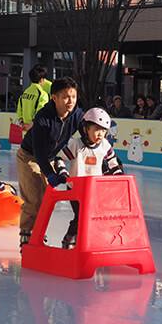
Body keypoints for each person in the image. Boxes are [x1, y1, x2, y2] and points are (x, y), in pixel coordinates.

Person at [16, 77, 85, 248]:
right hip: (29, 157)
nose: (71, 101)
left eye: (73, 97)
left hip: (52, 158)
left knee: (47, 201)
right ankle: (26, 233)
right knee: (34, 199)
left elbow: (87, 132)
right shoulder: (43, 118)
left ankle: (38, 230)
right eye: (66, 97)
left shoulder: (76, 115)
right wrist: (50, 173)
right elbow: (39, 151)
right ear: (55, 98)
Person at [53, 107, 124, 249]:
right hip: (76, 189)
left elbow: (113, 162)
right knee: (80, 217)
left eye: (104, 130)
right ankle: (69, 239)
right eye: (97, 129)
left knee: (94, 217)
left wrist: (118, 176)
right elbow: (60, 158)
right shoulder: (76, 144)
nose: (100, 134)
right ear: (86, 129)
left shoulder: (104, 145)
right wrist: (62, 173)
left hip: (95, 190)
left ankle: (91, 241)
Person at [17, 64, 50, 132]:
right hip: (37, 131)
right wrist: (29, 126)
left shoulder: (25, 92)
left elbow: (19, 109)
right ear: (41, 80)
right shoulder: (43, 94)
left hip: (25, 131)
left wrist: (22, 123)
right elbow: (40, 114)